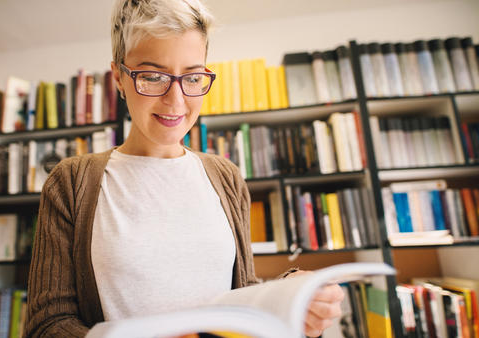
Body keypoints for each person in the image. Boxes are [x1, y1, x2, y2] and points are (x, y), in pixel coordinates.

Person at [24, 0, 344, 337]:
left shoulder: (226, 177)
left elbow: (241, 294)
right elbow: (47, 325)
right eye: (152, 76)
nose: (176, 100)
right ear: (118, 77)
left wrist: (292, 299)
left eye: (192, 77)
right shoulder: (72, 181)